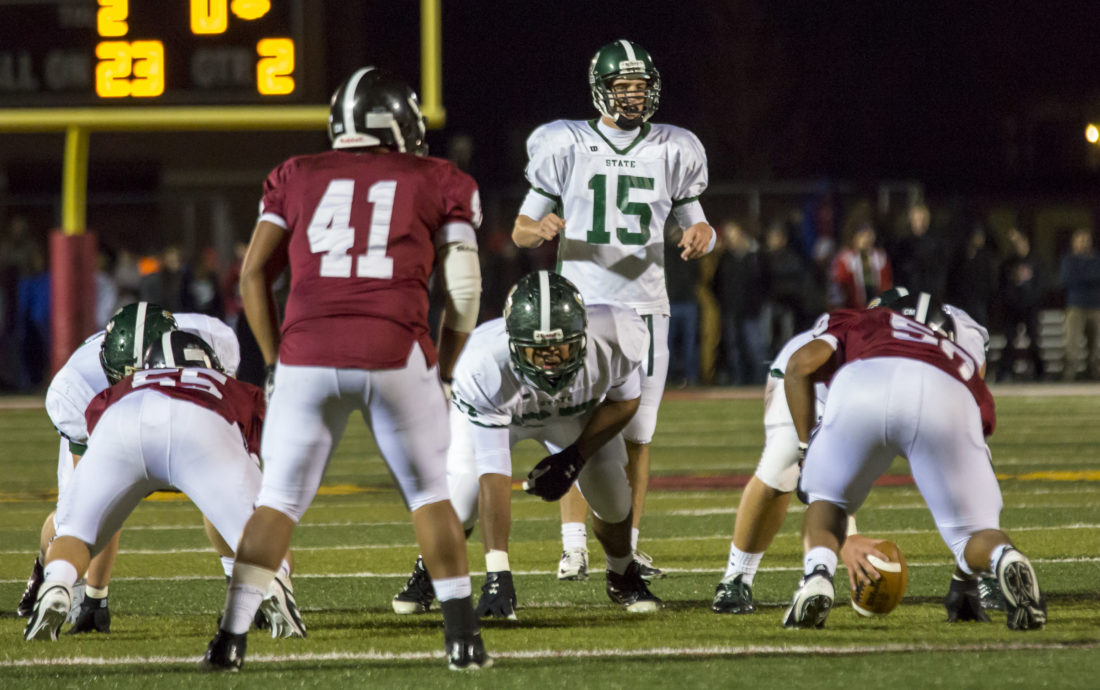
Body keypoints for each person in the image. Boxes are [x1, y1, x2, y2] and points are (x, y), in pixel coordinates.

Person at [201, 67, 489, 672]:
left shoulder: (297, 174)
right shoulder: (440, 179)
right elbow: (463, 287)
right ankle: (463, 640)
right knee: (430, 493)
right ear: (400, 125)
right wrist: (447, 365)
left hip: (306, 353)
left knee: (277, 502)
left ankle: (229, 641)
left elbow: (253, 274)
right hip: (394, 347)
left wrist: (276, 360)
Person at [511, 39, 716, 579]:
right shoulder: (567, 142)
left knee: (638, 435)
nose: (631, 94)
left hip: (647, 305)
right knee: (579, 427)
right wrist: (540, 228)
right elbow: (520, 226)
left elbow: (697, 222)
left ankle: (629, 546)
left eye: (639, 85)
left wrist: (703, 233)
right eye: (623, 85)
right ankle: (573, 544)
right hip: (579, 308)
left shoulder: (673, 147)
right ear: (601, 87)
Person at [712, 289, 1000, 614]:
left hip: (912, 389)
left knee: (965, 466)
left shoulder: (965, 333)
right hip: (810, 383)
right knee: (783, 466)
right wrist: (846, 538)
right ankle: (736, 577)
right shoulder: (851, 335)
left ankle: (984, 571)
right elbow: (831, 472)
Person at [392, 271, 659, 619]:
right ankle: (431, 570)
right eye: (537, 349)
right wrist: (497, 573)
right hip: (502, 413)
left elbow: (624, 403)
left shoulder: (617, 335)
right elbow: (494, 471)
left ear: (582, 335)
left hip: (573, 416)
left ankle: (622, 575)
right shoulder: (483, 364)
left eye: (559, 345)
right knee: (462, 498)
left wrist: (574, 458)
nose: (549, 358)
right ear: (513, 342)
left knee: (612, 491)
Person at [781, 291, 1046, 631]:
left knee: (827, 498)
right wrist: (965, 578)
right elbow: (977, 438)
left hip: (865, 379)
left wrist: (807, 451)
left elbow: (798, 366)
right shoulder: (960, 352)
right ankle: (1003, 558)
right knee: (974, 533)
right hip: (948, 388)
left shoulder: (867, 320)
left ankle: (817, 575)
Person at [16, 301, 279, 635]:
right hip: (112, 423)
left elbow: (231, 448)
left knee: (224, 483)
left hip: (185, 417)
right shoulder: (76, 387)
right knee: (73, 517)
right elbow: (97, 502)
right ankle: (46, 570)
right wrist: (95, 599)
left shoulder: (212, 340)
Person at [996, 227, 1046, 381]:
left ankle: (1039, 373)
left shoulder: (1036, 261)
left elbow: (1042, 283)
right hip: (1012, 307)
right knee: (1009, 340)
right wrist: (1009, 300)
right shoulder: (1008, 262)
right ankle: (1005, 372)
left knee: (1034, 340)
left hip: (1030, 306)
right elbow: (1002, 284)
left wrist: (1034, 299)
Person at [1059, 227, 1100, 381]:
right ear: (1074, 243)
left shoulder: (1096, 259)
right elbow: (1066, 279)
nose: (1083, 244)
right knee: (1071, 345)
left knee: (1095, 346)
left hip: (1096, 307)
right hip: (1075, 307)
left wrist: (1083, 276)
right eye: (1080, 240)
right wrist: (1090, 276)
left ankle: (1095, 375)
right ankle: (1069, 375)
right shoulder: (1068, 260)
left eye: (1086, 240)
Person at [828, 217, 892, 310]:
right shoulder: (844, 259)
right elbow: (837, 289)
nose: (867, 238)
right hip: (851, 312)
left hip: (876, 313)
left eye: (869, 233)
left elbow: (886, 287)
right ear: (854, 236)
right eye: (862, 234)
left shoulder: (880, 258)